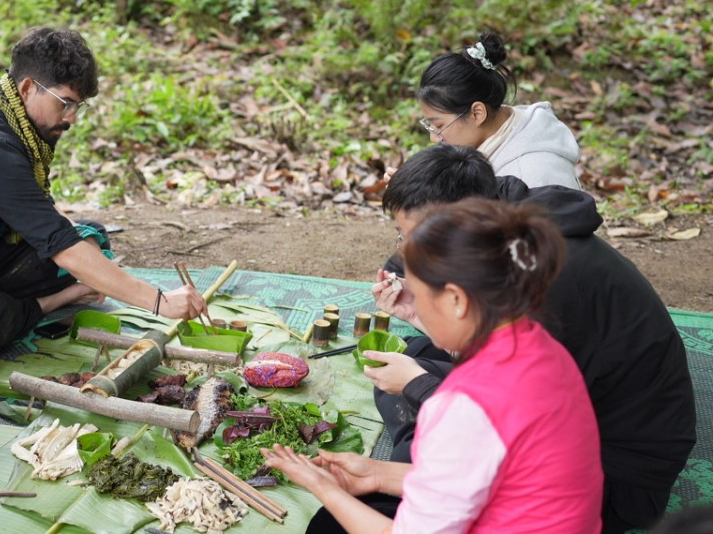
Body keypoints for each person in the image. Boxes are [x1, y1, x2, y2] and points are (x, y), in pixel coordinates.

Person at [366, 144, 695, 533]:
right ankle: (416, 450)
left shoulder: (544, 287)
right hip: (559, 409)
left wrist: (420, 387)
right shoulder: (513, 232)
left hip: (617, 474)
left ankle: (415, 454)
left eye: (411, 237)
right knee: (411, 355)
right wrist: (419, 314)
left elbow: (511, 409)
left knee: (414, 389)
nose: (404, 253)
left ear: (452, 223)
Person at [264, 198, 603, 532]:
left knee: (328, 525)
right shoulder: (540, 345)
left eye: (422, 296)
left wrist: (321, 485)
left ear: (456, 300)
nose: (418, 309)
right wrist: (378, 473)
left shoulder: (464, 406)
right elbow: (478, 473)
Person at [0, 27, 206, 353]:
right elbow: (59, 245)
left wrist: (77, 242)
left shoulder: (5, 112)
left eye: (79, 106)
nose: (71, 118)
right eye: (66, 103)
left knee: (90, 238)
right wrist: (160, 302)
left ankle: (46, 294)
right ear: (29, 88)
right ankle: (56, 300)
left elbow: (42, 210)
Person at [416, 33, 581, 189]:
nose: (434, 138)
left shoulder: (529, 177)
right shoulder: (505, 131)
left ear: (477, 114)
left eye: (439, 125)